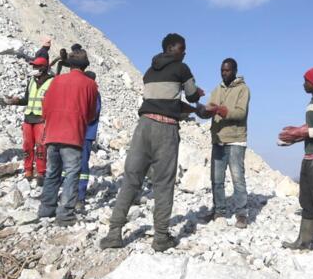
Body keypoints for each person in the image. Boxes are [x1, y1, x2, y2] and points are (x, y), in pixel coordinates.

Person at [100, 33, 204, 252]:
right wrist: (197, 97)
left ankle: (114, 233)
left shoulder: (149, 72)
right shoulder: (181, 68)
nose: (184, 52)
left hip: (143, 126)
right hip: (165, 129)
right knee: (164, 183)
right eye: (182, 48)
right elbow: (192, 95)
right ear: (172, 49)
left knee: (131, 179)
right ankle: (161, 237)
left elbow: (163, 100)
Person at [38, 50, 99, 226]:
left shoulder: (56, 81)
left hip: (52, 132)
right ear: (86, 65)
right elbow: (91, 114)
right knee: (72, 173)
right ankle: (64, 215)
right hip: (73, 133)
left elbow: (45, 108)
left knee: (52, 172)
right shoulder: (90, 85)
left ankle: (46, 209)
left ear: (70, 65)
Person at [278, 67, 313, 250]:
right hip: (308, 155)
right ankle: (303, 242)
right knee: (306, 199)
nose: (304, 84)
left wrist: (301, 132)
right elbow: (311, 126)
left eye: (306, 80)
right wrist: (295, 137)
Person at [198, 58, 251, 228]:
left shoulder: (243, 89)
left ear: (235, 70)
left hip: (236, 140)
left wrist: (219, 110)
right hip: (218, 139)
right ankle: (219, 211)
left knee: (237, 178)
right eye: (222, 70)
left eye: (227, 70)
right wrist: (203, 112)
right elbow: (210, 109)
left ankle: (241, 214)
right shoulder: (217, 90)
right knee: (216, 179)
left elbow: (240, 114)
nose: (224, 73)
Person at [4, 56, 54, 187]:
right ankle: (28, 170)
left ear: (43, 68)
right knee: (27, 146)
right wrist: (16, 101)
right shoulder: (31, 80)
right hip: (28, 118)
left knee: (41, 146)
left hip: (41, 120)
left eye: (36, 67)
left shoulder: (52, 82)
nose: (34, 69)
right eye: (33, 66)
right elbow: (26, 99)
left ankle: (41, 172)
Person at [78, 70, 101, 206]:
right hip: (79, 133)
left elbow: (94, 113)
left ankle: (80, 195)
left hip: (86, 134)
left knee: (82, 164)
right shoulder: (90, 92)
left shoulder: (94, 94)